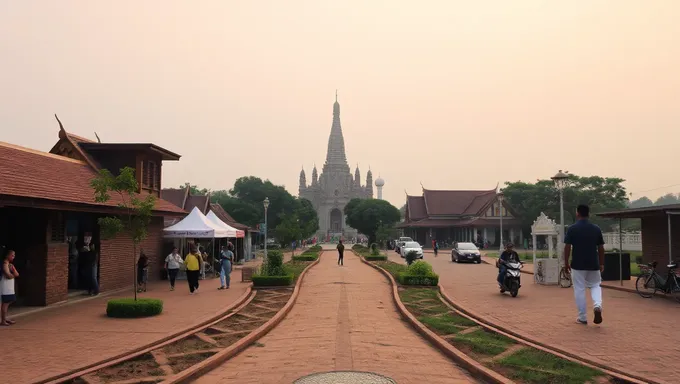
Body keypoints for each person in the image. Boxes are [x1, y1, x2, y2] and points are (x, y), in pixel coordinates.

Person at [564, 204, 605, 325]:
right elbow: (601, 247)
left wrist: (566, 263)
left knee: (579, 289)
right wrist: (601, 263)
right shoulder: (596, 228)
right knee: (596, 285)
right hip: (593, 263)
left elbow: (567, 247)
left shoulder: (572, 229)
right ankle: (597, 306)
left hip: (577, 264)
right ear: (589, 214)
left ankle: (582, 317)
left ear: (577, 213)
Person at [1, 249, 19, 326]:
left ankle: (4, 318)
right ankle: (3, 320)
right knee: (5, 303)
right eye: (12, 255)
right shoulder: (5, 264)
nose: (13, 257)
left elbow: (17, 274)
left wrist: (13, 270)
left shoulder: (10, 264)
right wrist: (13, 274)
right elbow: (8, 276)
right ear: (7, 255)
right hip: (5, 287)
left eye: (14, 255)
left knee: (8, 302)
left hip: (9, 287)